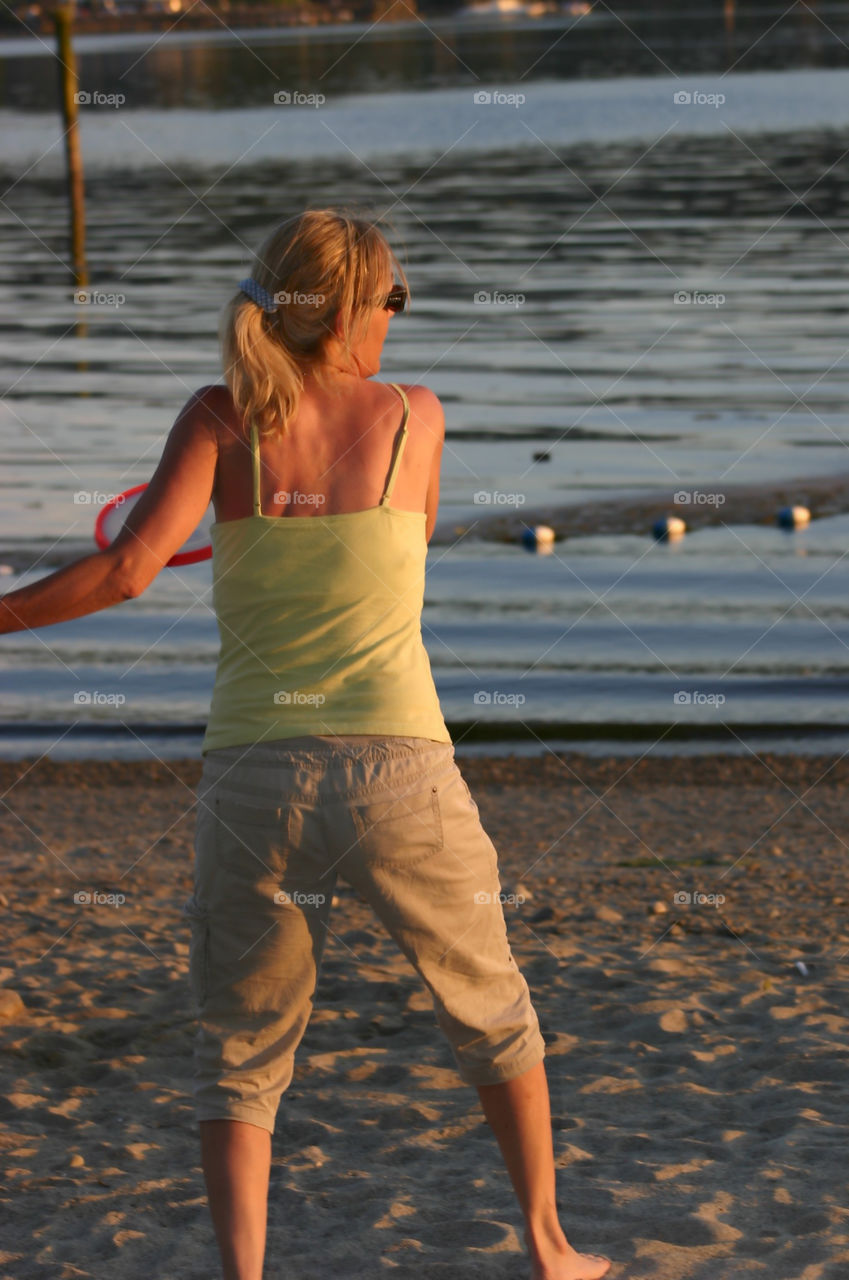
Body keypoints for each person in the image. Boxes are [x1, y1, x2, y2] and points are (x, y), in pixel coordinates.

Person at [0, 207, 612, 1280]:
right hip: (402, 772)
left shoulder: (218, 416)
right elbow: (402, 542)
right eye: (394, 299)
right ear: (352, 309)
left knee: (241, 1051)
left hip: (254, 776)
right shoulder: (418, 418)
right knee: (495, 1008)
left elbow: (127, 570)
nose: (397, 320)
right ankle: (551, 1246)